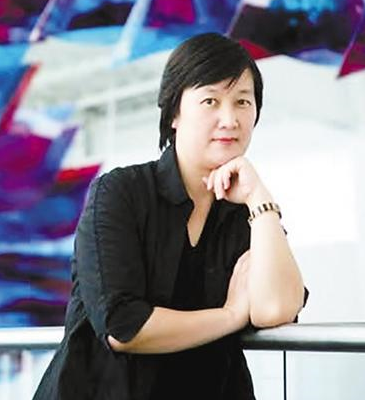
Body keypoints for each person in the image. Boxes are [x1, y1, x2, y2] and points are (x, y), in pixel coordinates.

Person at [33, 33, 307, 400]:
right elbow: (123, 326)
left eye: (243, 101)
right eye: (210, 101)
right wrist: (228, 316)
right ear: (175, 112)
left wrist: (260, 198)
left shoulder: (247, 213)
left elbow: (275, 308)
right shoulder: (120, 192)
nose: (230, 119)